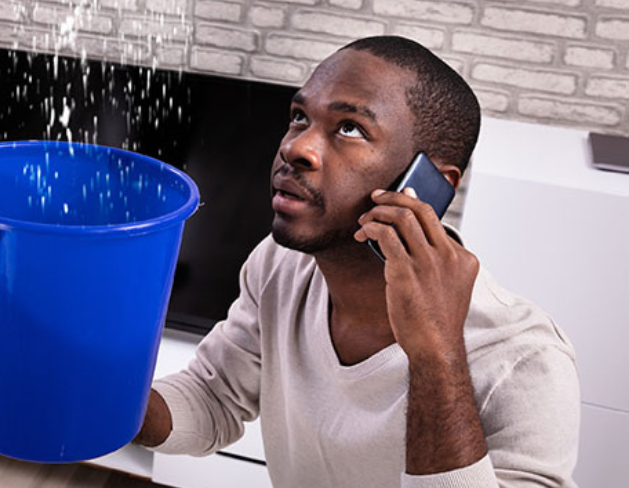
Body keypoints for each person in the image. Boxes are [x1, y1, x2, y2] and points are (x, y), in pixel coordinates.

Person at [134, 36, 580, 488]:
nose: (296, 148)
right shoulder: (281, 266)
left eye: (350, 128)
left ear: (426, 185)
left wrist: (436, 355)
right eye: (299, 117)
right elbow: (214, 397)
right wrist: (101, 401)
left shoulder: (526, 360)